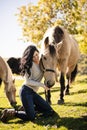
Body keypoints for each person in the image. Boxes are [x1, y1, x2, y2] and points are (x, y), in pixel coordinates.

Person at [1, 45, 57, 123]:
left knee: (50, 111)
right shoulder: (29, 65)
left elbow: (49, 65)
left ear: (39, 53)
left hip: (33, 93)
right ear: (30, 57)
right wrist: (42, 85)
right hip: (25, 92)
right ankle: (10, 112)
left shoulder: (42, 62)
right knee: (31, 117)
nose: (36, 58)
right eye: (33, 56)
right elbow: (28, 81)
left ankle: (27, 107)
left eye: (37, 55)